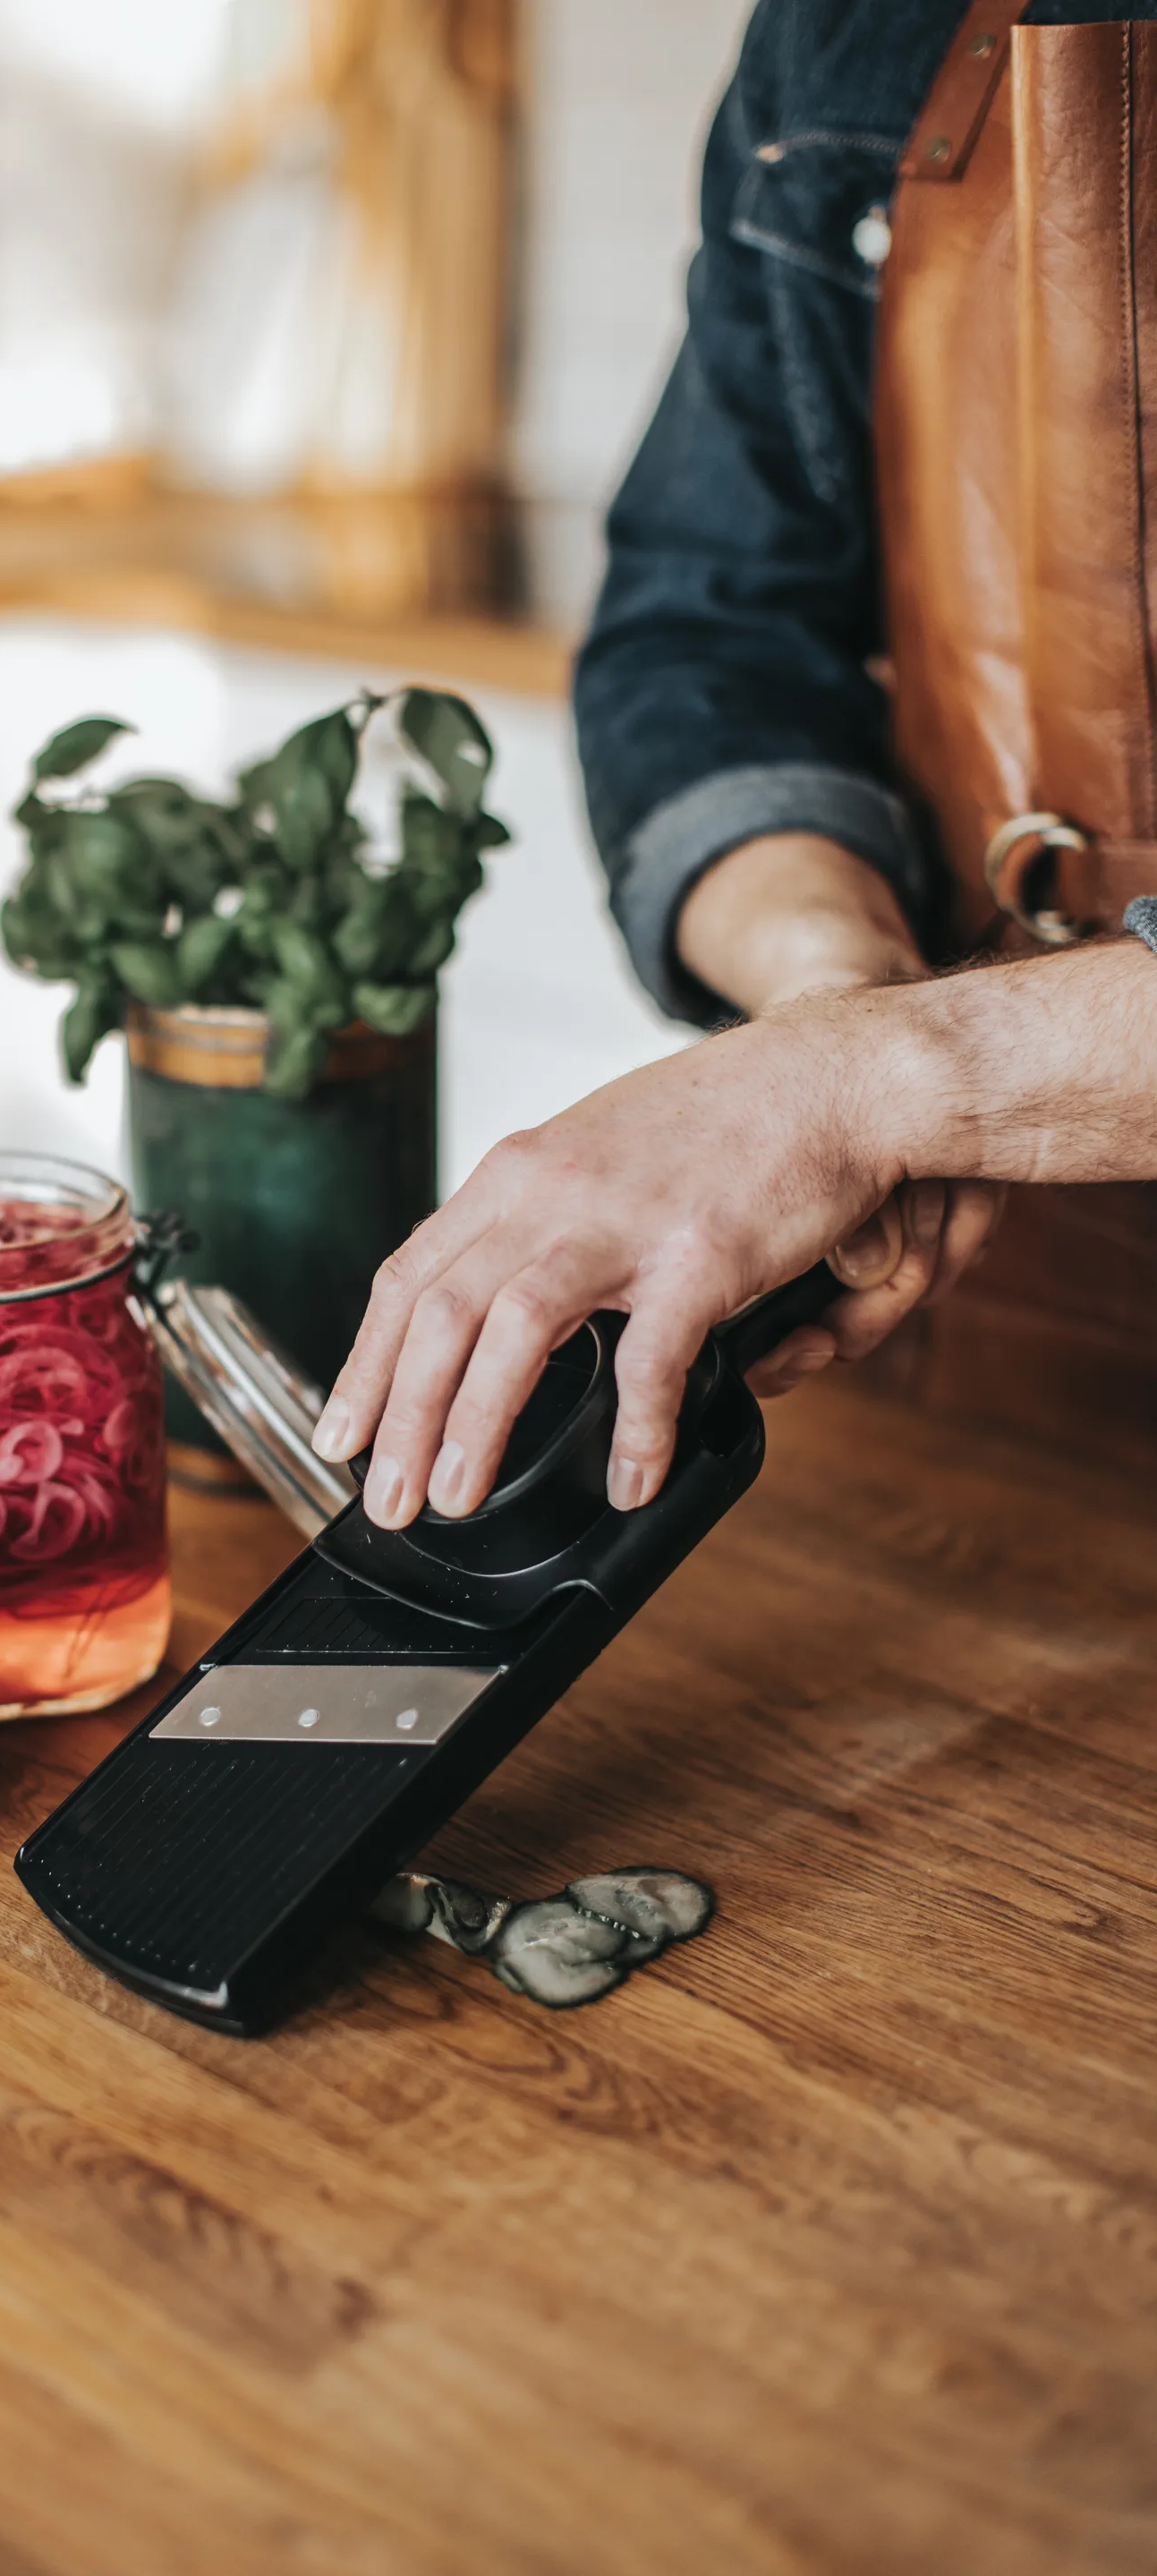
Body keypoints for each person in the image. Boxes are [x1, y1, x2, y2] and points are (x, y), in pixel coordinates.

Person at [313, 0, 1157, 1526]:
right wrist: (837, 988)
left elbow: (871, 1081)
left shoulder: (889, 1085)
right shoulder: (853, 34)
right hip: (976, 1346)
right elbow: (708, 639)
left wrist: (875, 1079)